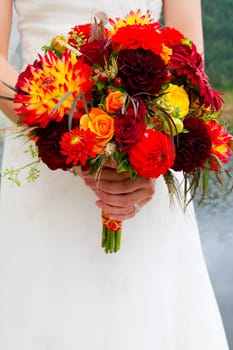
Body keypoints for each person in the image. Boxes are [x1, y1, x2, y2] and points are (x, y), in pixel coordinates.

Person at [0, 0, 230, 349]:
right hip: (43, 150)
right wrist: (69, 136)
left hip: (148, 151)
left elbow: (188, 53)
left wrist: (148, 149)